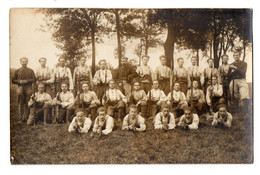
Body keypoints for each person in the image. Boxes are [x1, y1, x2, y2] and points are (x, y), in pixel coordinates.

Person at [12, 57, 36, 123]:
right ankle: (21, 118)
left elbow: (34, 79)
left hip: (28, 87)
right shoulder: (17, 71)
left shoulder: (30, 70)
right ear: (20, 62)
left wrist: (27, 81)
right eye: (23, 61)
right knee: (20, 103)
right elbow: (13, 80)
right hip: (20, 87)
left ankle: (26, 117)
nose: (24, 63)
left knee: (28, 103)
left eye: (25, 61)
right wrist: (19, 81)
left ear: (27, 62)